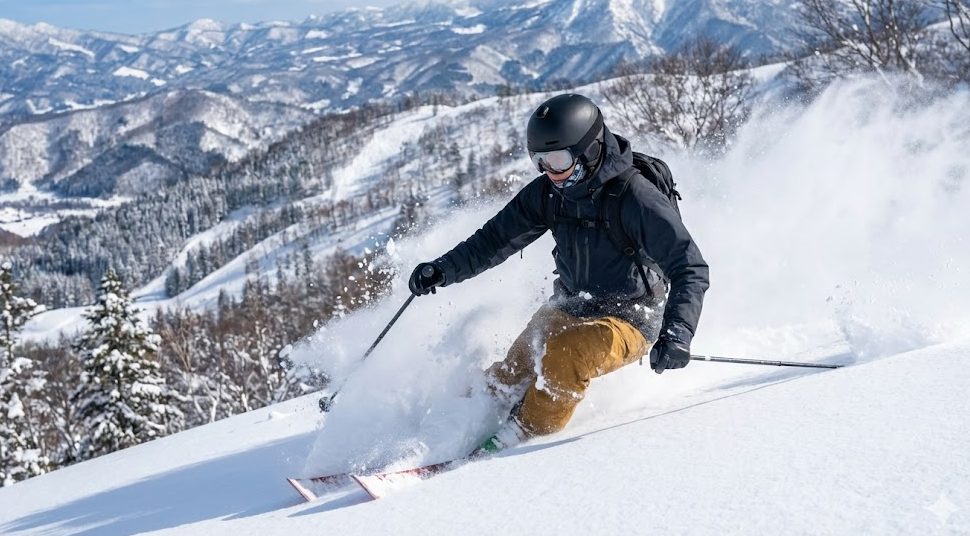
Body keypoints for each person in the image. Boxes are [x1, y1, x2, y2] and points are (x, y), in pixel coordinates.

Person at [408, 93, 710, 454]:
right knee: (515, 365)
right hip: (572, 303)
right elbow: (493, 240)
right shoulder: (550, 193)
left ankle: (521, 434)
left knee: (565, 354)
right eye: (539, 161)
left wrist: (677, 333)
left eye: (557, 159)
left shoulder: (635, 198)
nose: (549, 171)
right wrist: (442, 269)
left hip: (633, 317)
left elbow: (689, 266)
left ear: (590, 149)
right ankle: (457, 424)